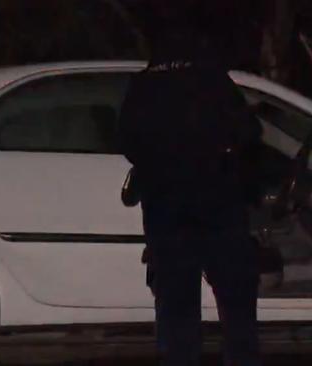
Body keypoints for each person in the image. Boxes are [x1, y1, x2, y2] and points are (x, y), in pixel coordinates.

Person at [118, 2, 263, 365]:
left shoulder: (143, 85)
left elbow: (126, 142)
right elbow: (248, 133)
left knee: (177, 306)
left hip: (165, 209)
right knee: (236, 305)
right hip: (218, 204)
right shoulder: (212, 79)